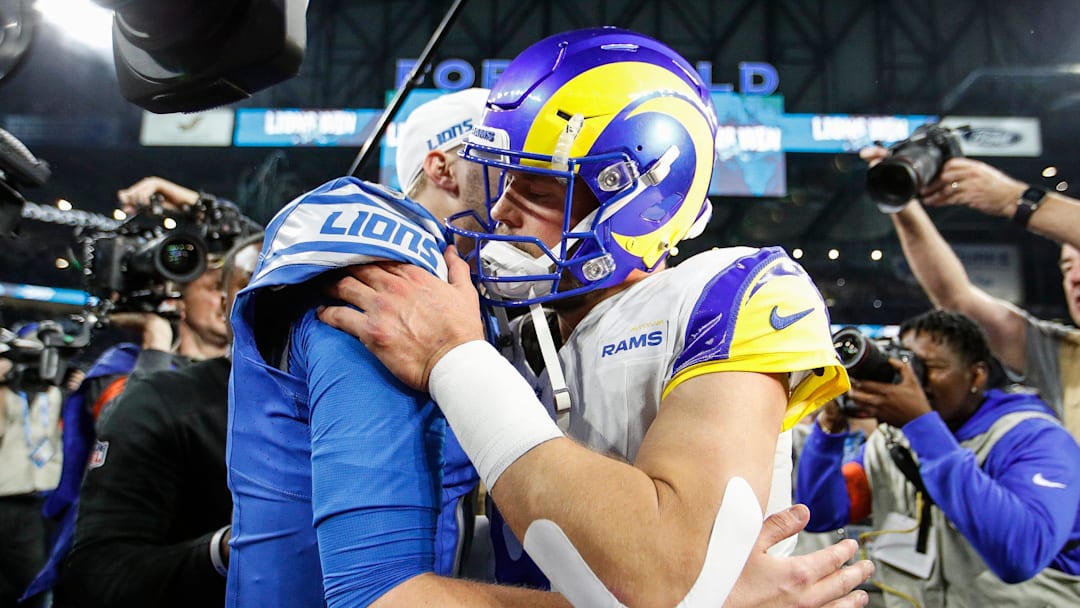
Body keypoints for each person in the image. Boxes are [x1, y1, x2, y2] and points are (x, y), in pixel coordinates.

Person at [318, 26, 873, 607]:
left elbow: (663, 574)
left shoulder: (730, 291)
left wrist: (452, 361)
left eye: (536, 186)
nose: (501, 209)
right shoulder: (511, 327)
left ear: (639, 197)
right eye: (504, 180)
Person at [225, 89, 566, 607]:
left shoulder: (456, 285)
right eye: (504, 161)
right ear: (443, 168)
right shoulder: (383, 279)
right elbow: (373, 591)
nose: (520, 185)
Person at [21, 177, 257, 603]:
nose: (234, 298)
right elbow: (116, 426)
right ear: (180, 297)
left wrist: (199, 201)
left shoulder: (258, 383)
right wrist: (153, 344)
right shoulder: (122, 369)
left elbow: (261, 250)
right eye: (211, 287)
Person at [796, 309, 1080, 605]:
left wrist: (922, 425)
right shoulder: (895, 441)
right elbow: (820, 514)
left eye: (930, 367)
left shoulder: (1036, 439)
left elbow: (1020, 555)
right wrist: (830, 429)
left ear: (976, 375)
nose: (916, 382)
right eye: (907, 364)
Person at [863, 146, 1080, 441]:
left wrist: (1013, 200)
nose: (1075, 278)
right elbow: (957, 300)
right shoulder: (1063, 357)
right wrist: (900, 199)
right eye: (1067, 268)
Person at [0, 356, 62, 608]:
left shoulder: (56, 390)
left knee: (36, 580)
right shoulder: (6, 391)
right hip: (6, 496)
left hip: (45, 496)